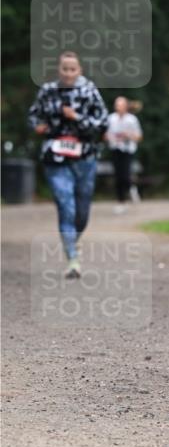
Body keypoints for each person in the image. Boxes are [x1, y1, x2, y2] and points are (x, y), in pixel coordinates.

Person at [27, 50, 109, 278]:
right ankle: (73, 259)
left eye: (73, 69)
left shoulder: (89, 90)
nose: (69, 73)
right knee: (66, 204)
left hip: (85, 156)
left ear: (79, 70)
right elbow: (33, 115)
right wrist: (38, 126)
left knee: (81, 211)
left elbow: (103, 122)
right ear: (59, 70)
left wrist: (76, 118)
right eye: (65, 69)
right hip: (55, 156)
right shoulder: (47, 91)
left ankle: (73, 239)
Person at [106, 96, 143, 212]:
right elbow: (105, 135)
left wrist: (128, 135)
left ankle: (131, 188)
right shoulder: (111, 118)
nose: (118, 107)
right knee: (118, 176)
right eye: (117, 105)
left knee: (125, 175)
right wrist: (111, 137)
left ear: (126, 106)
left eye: (121, 105)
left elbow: (139, 137)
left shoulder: (132, 120)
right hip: (115, 148)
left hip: (128, 150)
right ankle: (121, 201)